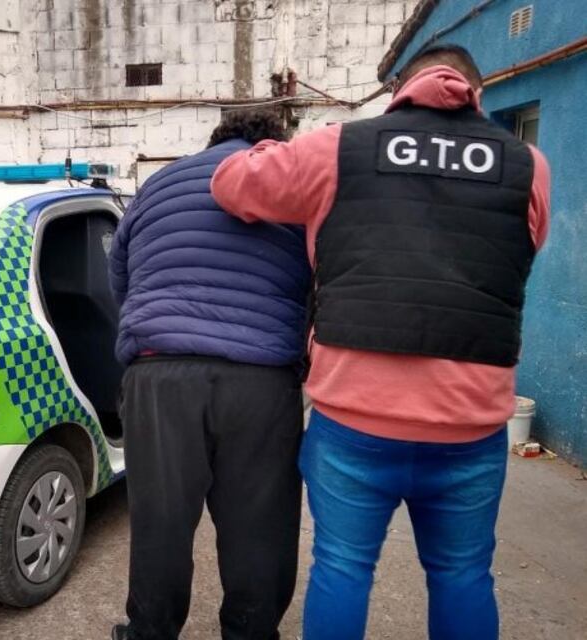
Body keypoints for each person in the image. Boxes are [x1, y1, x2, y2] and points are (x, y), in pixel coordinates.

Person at [211, 45, 551, 640]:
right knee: (463, 574)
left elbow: (231, 185)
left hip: (355, 424)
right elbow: (526, 247)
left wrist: (269, 149)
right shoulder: (527, 165)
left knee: (342, 570)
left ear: (401, 88)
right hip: (469, 426)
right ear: (477, 93)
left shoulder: (340, 146)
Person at [109, 109, 311, 640]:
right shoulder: (293, 184)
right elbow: (320, 277)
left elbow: (120, 275)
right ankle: (250, 632)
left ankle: (148, 632)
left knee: (160, 522)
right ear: (273, 144)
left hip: (159, 373)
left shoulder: (158, 184)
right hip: (261, 379)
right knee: (259, 525)